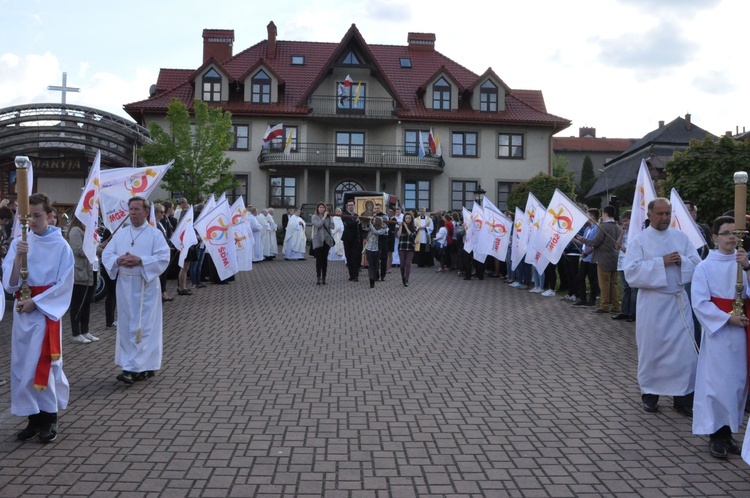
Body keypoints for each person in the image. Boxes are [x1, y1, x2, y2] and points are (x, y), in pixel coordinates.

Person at [2, 193, 74, 443]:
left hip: (44, 312)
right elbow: (10, 284)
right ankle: (32, 418)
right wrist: (19, 256)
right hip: (23, 310)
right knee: (23, 366)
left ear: (50, 216)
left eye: (37, 215)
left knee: (45, 364)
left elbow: (65, 285)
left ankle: (49, 418)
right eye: (28, 216)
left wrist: (37, 302)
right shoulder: (19, 242)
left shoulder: (61, 246)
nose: (32, 221)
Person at [623, 197, 702, 416]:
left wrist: (681, 262)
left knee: (684, 353)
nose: (664, 218)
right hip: (653, 304)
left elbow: (697, 265)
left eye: (667, 213)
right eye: (660, 214)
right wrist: (661, 262)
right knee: (653, 351)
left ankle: (683, 397)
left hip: (678, 303)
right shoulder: (639, 241)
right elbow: (630, 273)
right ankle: (650, 395)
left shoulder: (681, 237)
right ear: (649, 215)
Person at [691, 216, 748, 459]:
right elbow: (700, 302)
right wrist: (727, 319)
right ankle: (716, 435)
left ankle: (728, 434)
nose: (731, 237)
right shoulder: (704, 267)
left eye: (734, 233)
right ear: (714, 238)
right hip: (720, 334)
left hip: (742, 333)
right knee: (717, 385)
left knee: (736, 384)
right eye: (725, 233)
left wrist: (747, 267)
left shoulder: (743, 263)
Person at [101, 196, 170, 385]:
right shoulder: (122, 234)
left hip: (145, 285)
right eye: (130, 209)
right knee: (126, 325)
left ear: (146, 212)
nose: (132, 212)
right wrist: (118, 261)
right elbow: (107, 254)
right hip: (124, 285)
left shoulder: (155, 234)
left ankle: (133, 368)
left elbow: (164, 257)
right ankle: (135, 365)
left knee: (144, 327)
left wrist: (141, 260)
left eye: (136, 209)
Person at [577, 205, 621, 314]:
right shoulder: (617, 227)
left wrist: (583, 240)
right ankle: (616, 305)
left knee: (604, 284)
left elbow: (595, 242)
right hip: (614, 258)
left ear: (605, 214)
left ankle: (604, 305)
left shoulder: (604, 226)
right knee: (613, 283)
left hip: (603, 258)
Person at [66, 218, 99, 344]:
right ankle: (76, 333)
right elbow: (78, 250)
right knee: (77, 304)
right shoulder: (75, 230)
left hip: (90, 272)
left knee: (86, 304)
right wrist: (95, 248)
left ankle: (85, 330)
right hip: (80, 273)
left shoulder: (87, 231)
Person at [613, 211, 637, 322]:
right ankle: (624, 311)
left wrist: (629, 251)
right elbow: (616, 246)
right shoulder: (624, 232)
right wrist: (622, 233)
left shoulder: (636, 233)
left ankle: (633, 313)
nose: (625, 223)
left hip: (631, 264)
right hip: (622, 264)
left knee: (633, 289)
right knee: (626, 288)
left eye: (626, 221)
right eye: (623, 222)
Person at [311, 202, 335, 285]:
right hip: (318, 240)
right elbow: (318, 224)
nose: (322, 209)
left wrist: (331, 218)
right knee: (319, 259)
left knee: (325, 260)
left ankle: (324, 277)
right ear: (317, 209)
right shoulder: (314, 217)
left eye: (323, 207)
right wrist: (324, 217)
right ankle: (318, 277)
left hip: (326, 241)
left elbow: (332, 227)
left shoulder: (328, 218)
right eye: (320, 207)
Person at [364, 216, 388, 288]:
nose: (373, 221)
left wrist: (371, 225)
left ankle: (374, 277)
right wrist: (365, 222)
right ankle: (371, 281)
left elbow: (376, 232)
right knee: (370, 265)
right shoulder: (371, 227)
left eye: (374, 220)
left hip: (377, 249)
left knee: (376, 265)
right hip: (369, 249)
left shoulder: (383, 229)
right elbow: (365, 229)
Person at [341, 200, 361, 281]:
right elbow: (348, 224)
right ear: (347, 207)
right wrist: (356, 221)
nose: (350, 206)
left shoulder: (356, 215)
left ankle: (356, 275)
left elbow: (357, 226)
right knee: (348, 257)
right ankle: (351, 275)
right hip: (347, 238)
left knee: (355, 257)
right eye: (349, 205)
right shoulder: (344, 214)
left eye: (352, 205)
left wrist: (355, 222)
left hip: (356, 239)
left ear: (354, 206)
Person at [397, 211, 417, 286]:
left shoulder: (413, 227)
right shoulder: (401, 227)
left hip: (410, 248)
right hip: (402, 247)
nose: (407, 219)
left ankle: (407, 279)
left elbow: (412, 235)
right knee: (402, 265)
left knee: (408, 263)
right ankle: (403, 277)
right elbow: (398, 235)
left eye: (409, 218)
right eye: (406, 218)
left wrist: (406, 226)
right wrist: (401, 226)